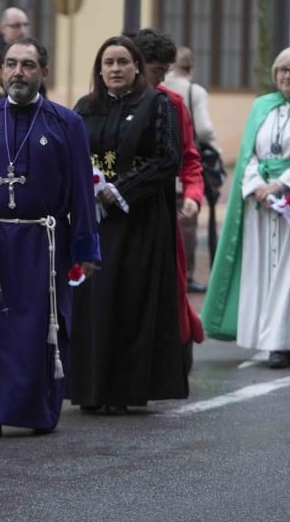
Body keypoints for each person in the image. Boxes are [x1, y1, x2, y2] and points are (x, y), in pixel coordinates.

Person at [0, 37, 99, 439]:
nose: (19, 72)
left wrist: (85, 247)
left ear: (43, 73)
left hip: (45, 240)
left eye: (28, 65)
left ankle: (37, 410)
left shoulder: (65, 122)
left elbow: (83, 193)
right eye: (12, 64)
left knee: (39, 326)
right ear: (1, 70)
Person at [69, 35, 186, 413]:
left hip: (140, 221)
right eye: (108, 63)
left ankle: (124, 391)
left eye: (123, 62)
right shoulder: (84, 108)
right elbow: (71, 156)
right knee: (93, 302)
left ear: (137, 66)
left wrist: (119, 190)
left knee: (130, 301)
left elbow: (169, 159)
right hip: (94, 220)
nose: (115, 69)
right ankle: (90, 390)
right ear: (99, 69)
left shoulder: (158, 105)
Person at [202, 47, 290, 368]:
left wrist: (281, 184)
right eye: (282, 70)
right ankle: (271, 337)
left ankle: (286, 341)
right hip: (260, 202)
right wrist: (256, 187)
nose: (287, 76)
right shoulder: (261, 106)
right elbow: (248, 153)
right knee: (263, 267)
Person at [134, 29, 205, 366]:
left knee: (167, 286)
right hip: (112, 213)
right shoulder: (99, 104)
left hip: (161, 211)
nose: (161, 78)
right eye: (155, 70)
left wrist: (192, 194)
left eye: (165, 71)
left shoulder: (172, 103)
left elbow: (190, 158)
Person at [164, 45, 222, 292]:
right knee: (186, 223)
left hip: (159, 169)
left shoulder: (155, 87)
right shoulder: (193, 91)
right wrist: (214, 149)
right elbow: (205, 128)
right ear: (191, 67)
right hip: (184, 166)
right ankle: (185, 275)